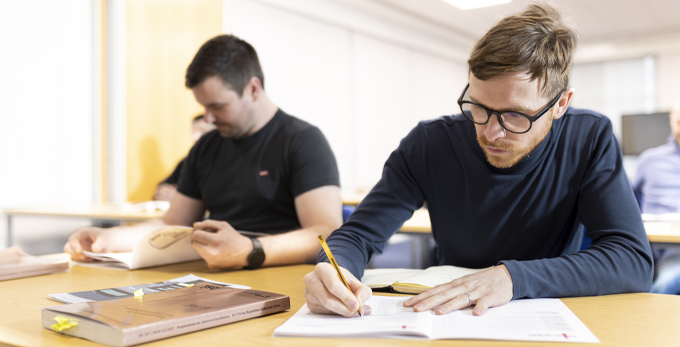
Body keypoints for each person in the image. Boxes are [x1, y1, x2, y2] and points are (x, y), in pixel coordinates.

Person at [303, 4, 653, 318]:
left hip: (542, 314)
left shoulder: (589, 138)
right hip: (444, 315)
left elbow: (632, 261)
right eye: (479, 107)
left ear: (561, 104)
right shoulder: (430, 143)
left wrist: (513, 277)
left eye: (516, 116)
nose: (491, 132)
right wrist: (335, 272)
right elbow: (358, 234)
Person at [65, 35, 343, 269]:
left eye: (218, 107)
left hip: (280, 277)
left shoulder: (303, 141)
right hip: (214, 276)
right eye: (204, 107)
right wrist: (107, 239)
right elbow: (170, 223)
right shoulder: (206, 147)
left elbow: (325, 231)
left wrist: (249, 249)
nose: (207, 118)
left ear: (253, 89)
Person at [632, 104, 680, 294]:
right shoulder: (649, 160)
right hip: (657, 246)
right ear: (671, 120)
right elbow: (628, 201)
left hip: (674, 250)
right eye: (678, 122)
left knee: (667, 282)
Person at [153, 114, 215, 201]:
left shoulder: (224, 160)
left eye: (203, 132)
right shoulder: (189, 160)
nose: (195, 137)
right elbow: (167, 184)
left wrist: (181, 196)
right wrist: (163, 192)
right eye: (193, 132)